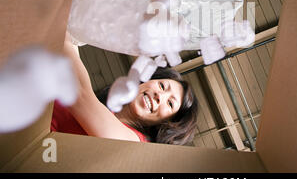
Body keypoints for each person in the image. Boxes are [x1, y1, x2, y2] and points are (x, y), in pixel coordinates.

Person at [51, 32, 198, 145]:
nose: (160, 96)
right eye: (162, 86)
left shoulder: (132, 143)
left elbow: (80, 94)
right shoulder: (106, 111)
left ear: (168, 124)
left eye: (170, 103)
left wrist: (62, 30)